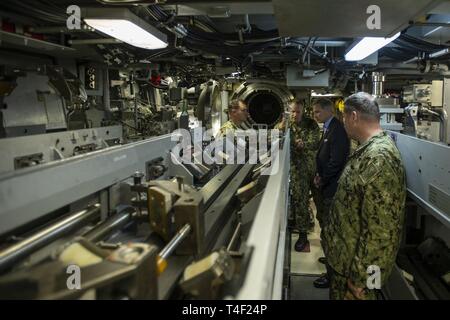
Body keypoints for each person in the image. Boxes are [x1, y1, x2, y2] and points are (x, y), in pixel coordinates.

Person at [322, 92, 406, 300]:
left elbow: (383, 231)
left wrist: (365, 281)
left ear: (354, 117)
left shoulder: (379, 158)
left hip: (356, 277)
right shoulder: (367, 150)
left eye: (344, 117)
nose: (344, 123)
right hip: (345, 263)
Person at [311, 98, 350, 289]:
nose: (314, 115)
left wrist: (323, 178)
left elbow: (336, 161)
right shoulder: (329, 127)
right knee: (326, 230)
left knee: (330, 232)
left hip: (332, 188)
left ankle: (332, 275)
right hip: (326, 184)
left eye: (317, 112)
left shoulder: (338, 130)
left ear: (328, 111)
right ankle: (330, 262)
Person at [276, 100, 320, 252]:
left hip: (311, 169)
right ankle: (302, 235)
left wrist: (301, 144)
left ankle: (327, 235)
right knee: (300, 201)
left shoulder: (311, 124)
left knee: (319, 202)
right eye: (292, 112)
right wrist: (282, 126)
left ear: (303, 111)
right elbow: (277, 138)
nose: (295, 115)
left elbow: (314, 142)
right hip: (295, 170)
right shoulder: (287, 124)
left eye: (298, 112)